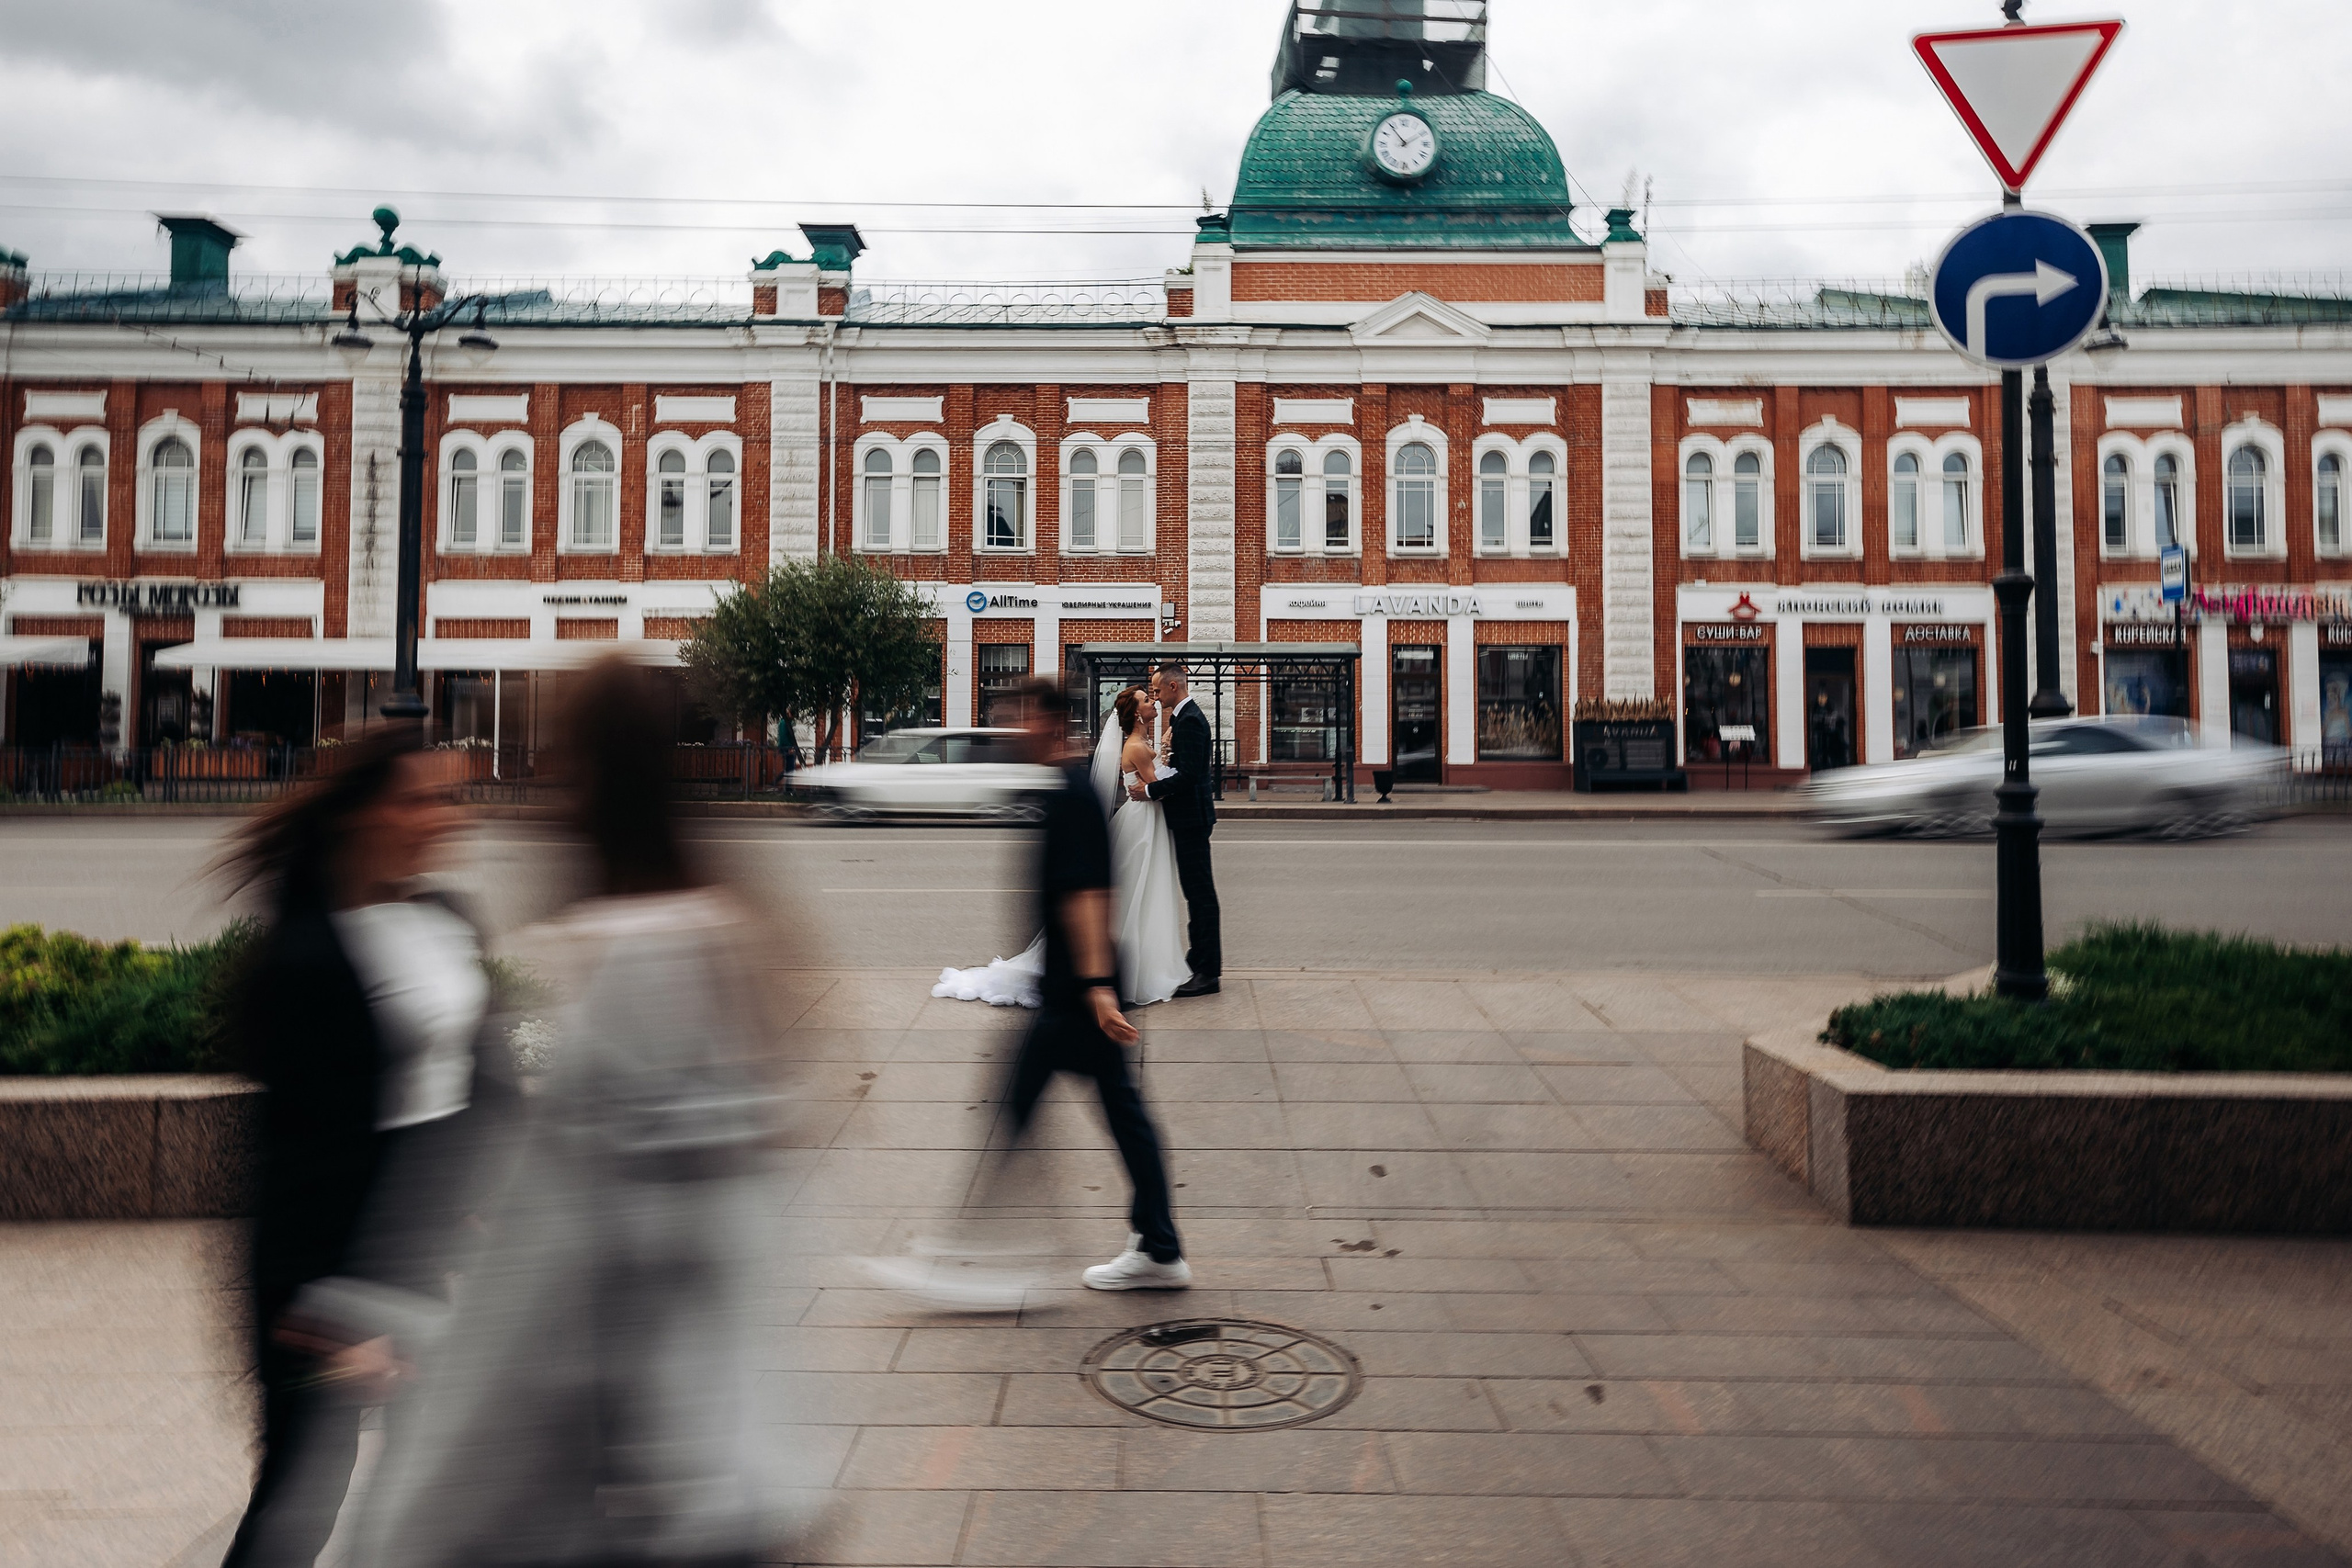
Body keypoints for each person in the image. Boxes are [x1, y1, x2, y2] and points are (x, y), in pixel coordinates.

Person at [356, 656, 779, 1568]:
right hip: (734, 1474)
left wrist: (404, 1534)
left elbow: (536, 1303)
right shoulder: (728, 941)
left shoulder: (620, 977)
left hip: (629, 1498)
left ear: (576, 772)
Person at [218, 726, 508, 1568]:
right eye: (420, 798)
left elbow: (483, 1083)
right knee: (307, 1479)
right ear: (360, 815)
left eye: (450, 798)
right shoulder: (303, 955)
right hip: (318, 1281)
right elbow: (298, 1153)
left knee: (446, 1471)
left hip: (426, 1248)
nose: (444, 818)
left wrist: (492, 1210)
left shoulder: (446, 917)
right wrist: (333, 1320)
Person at [887, 677, 1189, 1300]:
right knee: (1109, 1116)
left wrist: (1099, 989)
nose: (1012, 730)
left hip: (1077, 994)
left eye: (1019, 718)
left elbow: (1088, 895)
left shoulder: (1071, 794)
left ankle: (970, 1253)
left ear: (1048, 725)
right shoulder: (1063, 788)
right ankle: (1156, 1245)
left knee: (1029, 1110)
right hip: (1076, 987)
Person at [933, 684, 1188, 1009]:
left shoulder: (1092, 774)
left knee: (1146, 890)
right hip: (1142, 824)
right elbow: (1155, 787)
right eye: (1146, 699)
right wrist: (1097, 983)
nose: (1152, 702)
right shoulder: (1125, 753)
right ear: (1136, 713)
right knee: (1140, 889)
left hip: (1147, 821)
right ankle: (1132, 973)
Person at [1136, 660, 1221, 997]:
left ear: (1174, 687)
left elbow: (1188, 777)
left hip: (1192, 819)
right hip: (1190, 818)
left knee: (1200, 896)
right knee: (1195, 894)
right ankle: (1198, 961)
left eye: (1157, 690)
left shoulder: (1189, 721)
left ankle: (1207, 973)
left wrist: (1149, 790)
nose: (1155, 697)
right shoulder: (1185, 718)